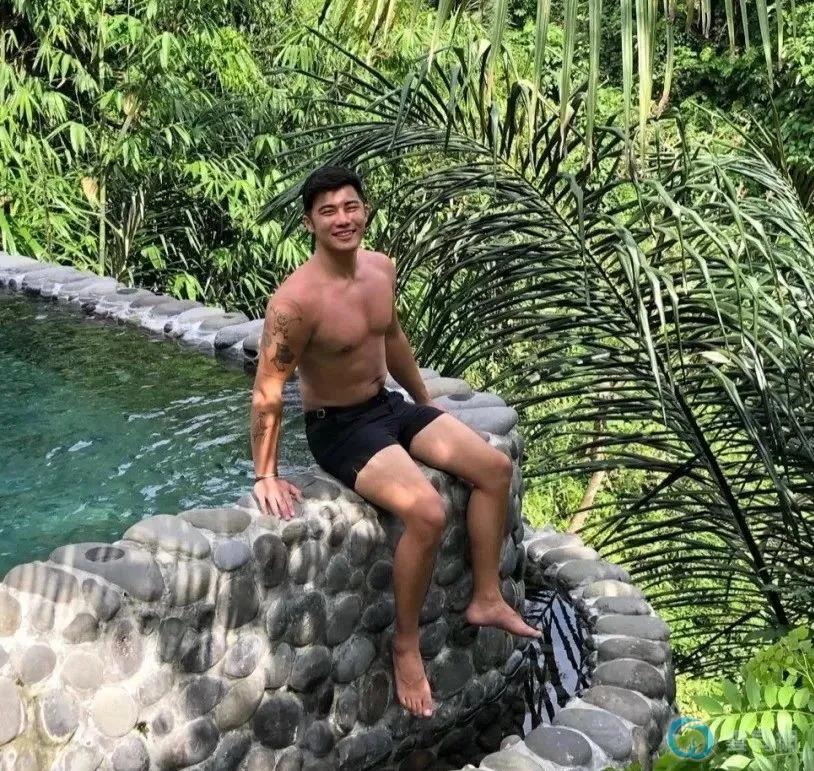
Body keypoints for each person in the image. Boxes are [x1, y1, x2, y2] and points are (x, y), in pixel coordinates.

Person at [250, 165, 540, 719]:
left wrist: (423, 402)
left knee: (493, 468)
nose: (342, 219)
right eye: (328, 211)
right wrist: (266, 472)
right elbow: (268, 388)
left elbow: (393, 338)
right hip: (339, 426)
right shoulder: (295, 302)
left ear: (365, 210)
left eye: (350, 206)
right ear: (310, 222)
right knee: (427, 511)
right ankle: (405, 647)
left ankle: (485, 597)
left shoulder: (381, 270)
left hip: (389, 407)